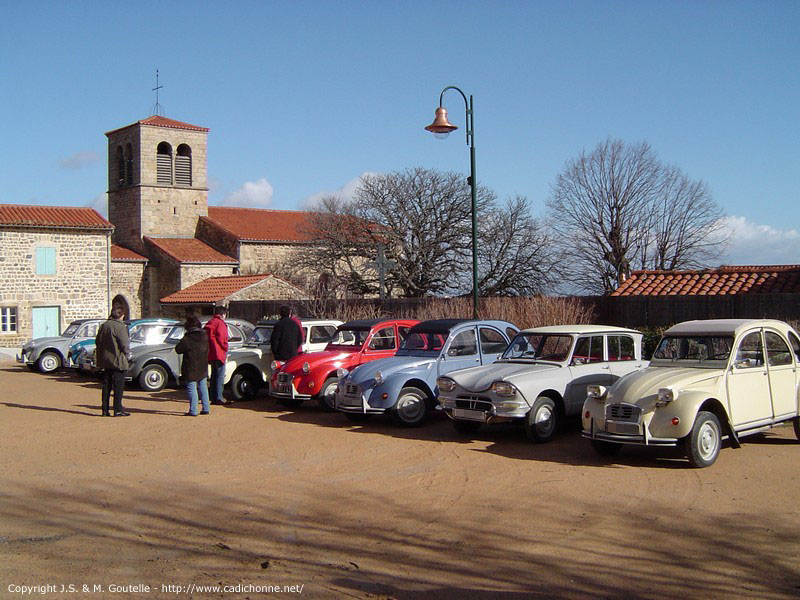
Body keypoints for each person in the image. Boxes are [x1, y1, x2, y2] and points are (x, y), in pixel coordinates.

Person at [95, 306, 131, 417]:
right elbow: (124, 344)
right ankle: (118, 409)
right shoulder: (120, 327)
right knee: (118, 386)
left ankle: (105, 410)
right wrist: (127, 355)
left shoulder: (104, 326)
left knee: (106, 385)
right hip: (118, 360)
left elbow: (97, 341)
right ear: (121, 315)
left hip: (106, 360)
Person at [176, 315, 210, 416]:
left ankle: (193, 410)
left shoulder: (187, 339)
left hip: (190, 366)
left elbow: (178, 349)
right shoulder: (204, 336)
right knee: (203, 386)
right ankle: (206, 408)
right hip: (202, 365)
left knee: (192, 388)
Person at [204, 305, 229, 405]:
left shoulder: (210, 322)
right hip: (219, 353)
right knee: (219, 376)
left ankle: (213, 396)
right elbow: (222, 338)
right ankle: (219, 397)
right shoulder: (220, 324)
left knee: (214, 376)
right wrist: (225, 347)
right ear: (223, 314)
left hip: (211, 353)